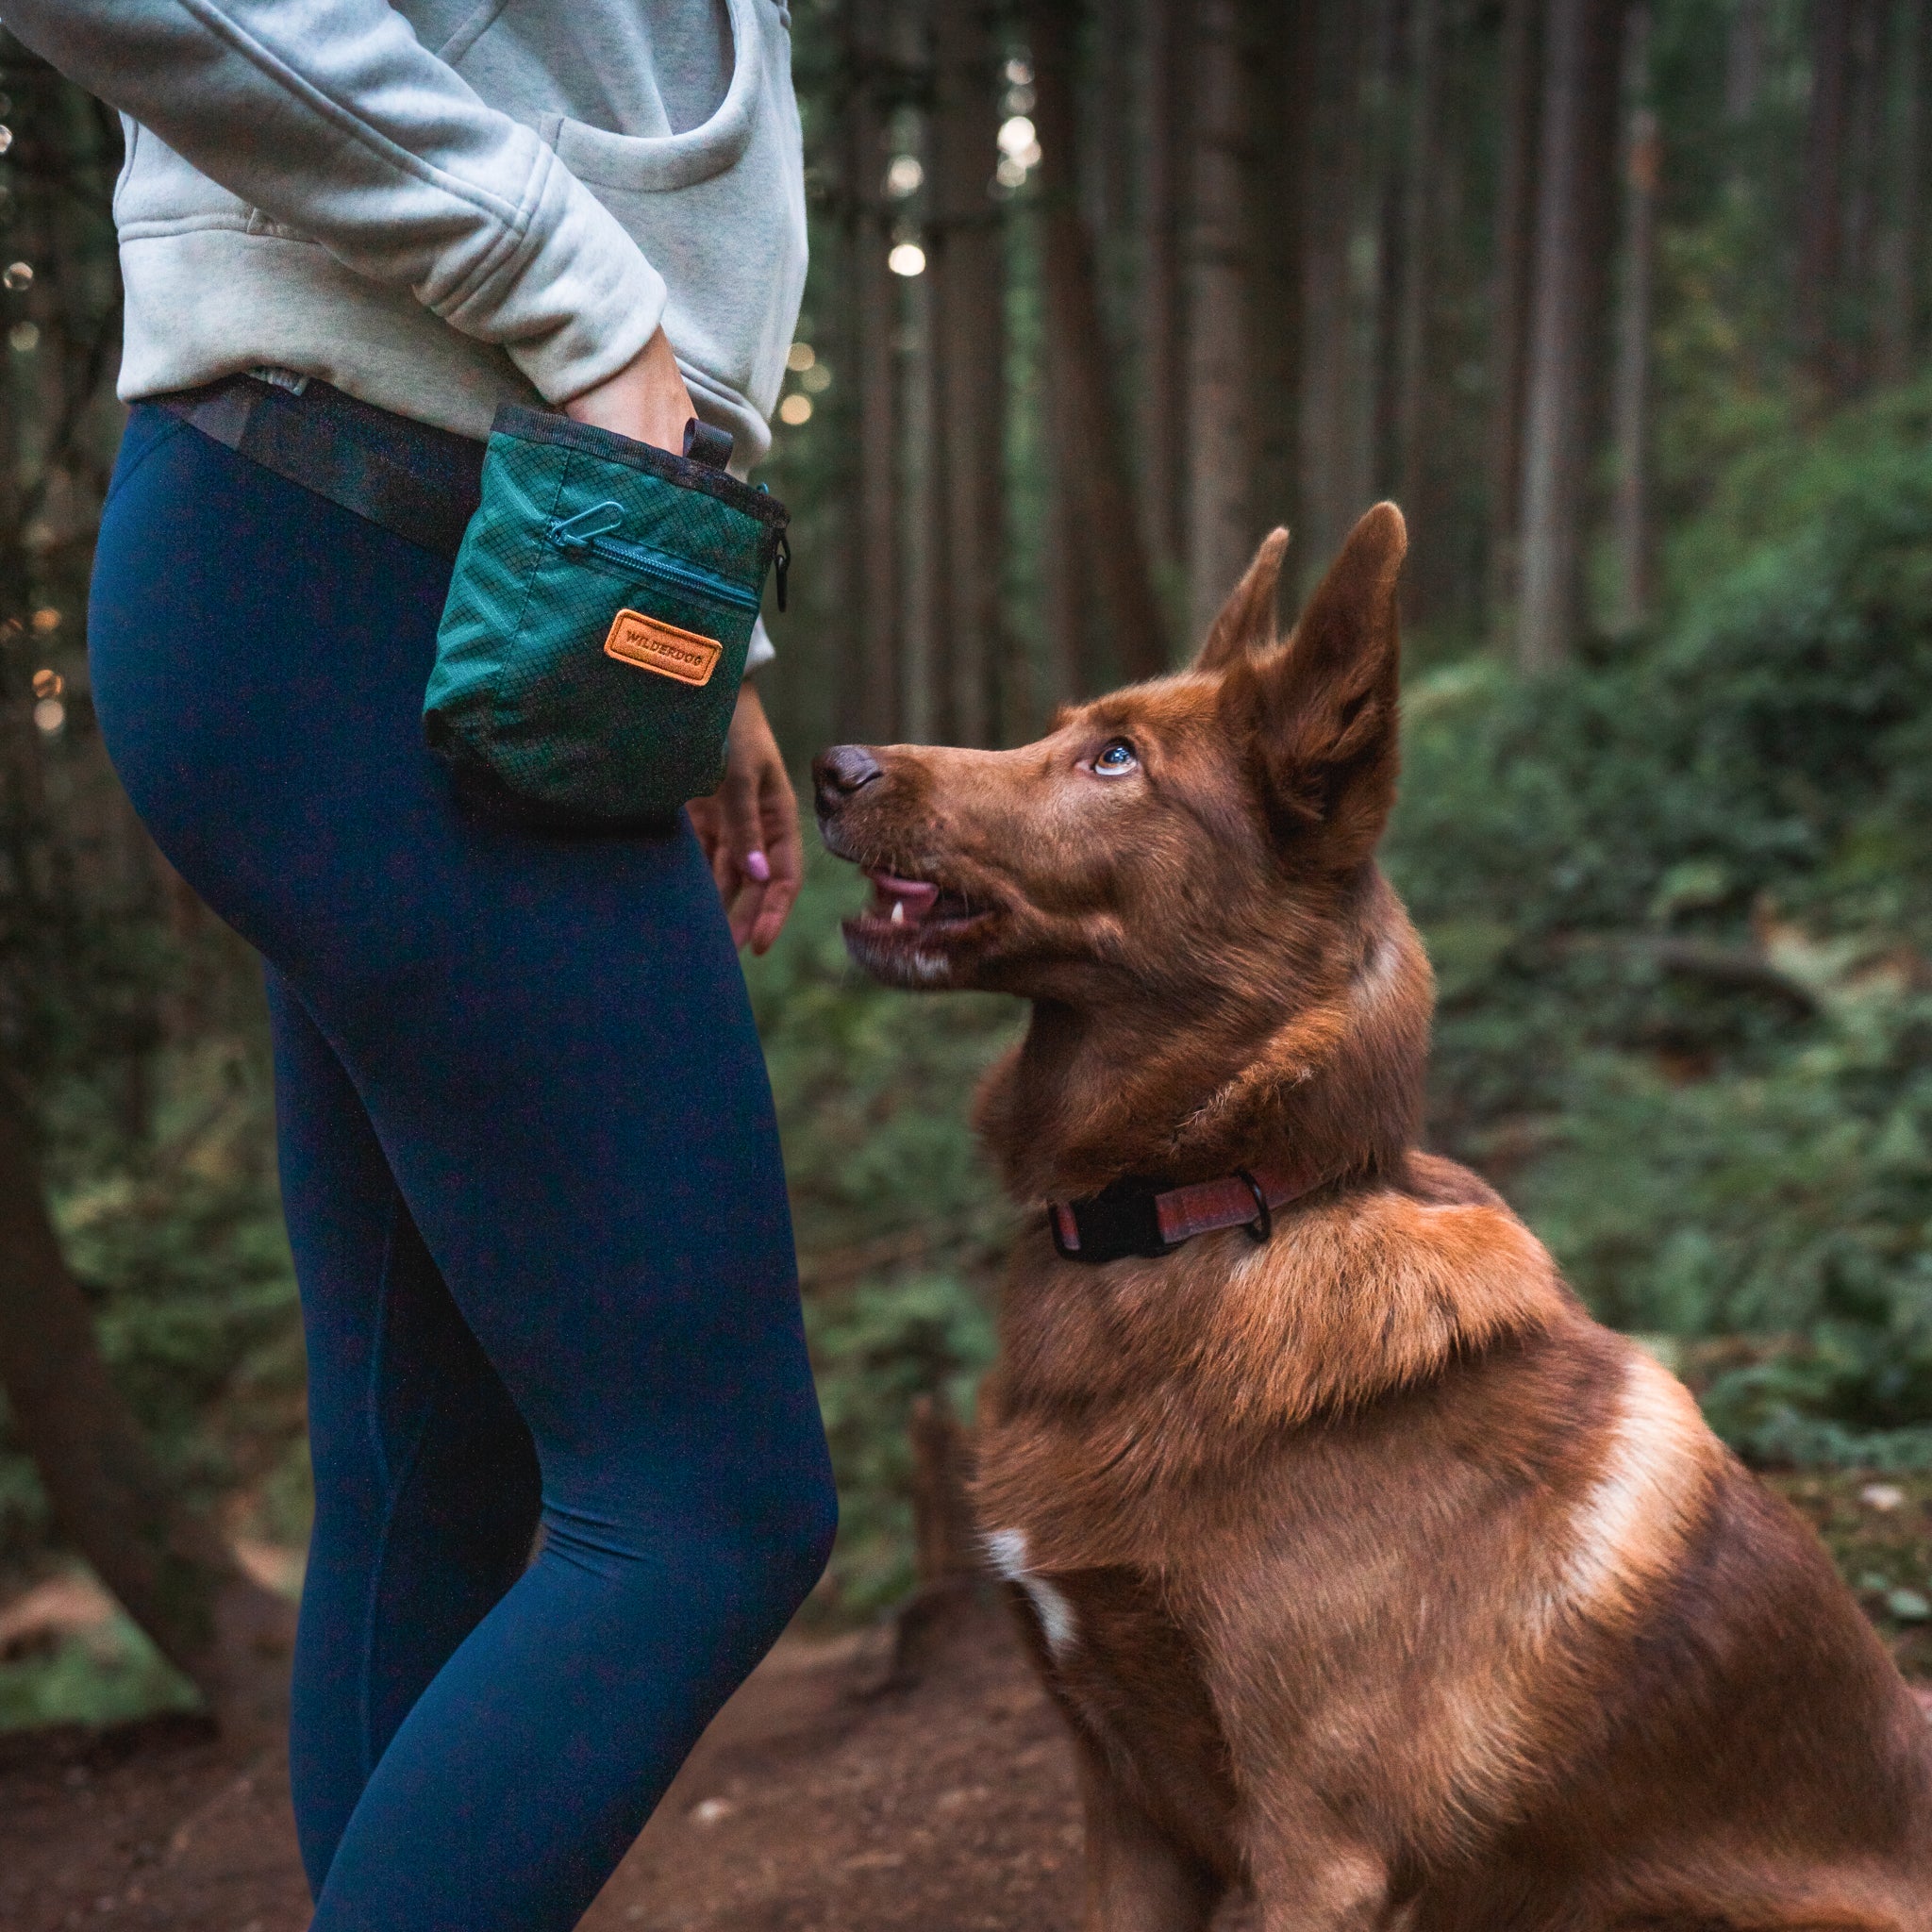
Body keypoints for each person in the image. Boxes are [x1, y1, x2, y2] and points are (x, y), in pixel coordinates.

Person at [1, 4, 837, 1926]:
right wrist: (573, 293)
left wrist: (694, 623)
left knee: (431, 1457)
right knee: (709, 1506)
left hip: (457, 576)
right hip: (367, 565)